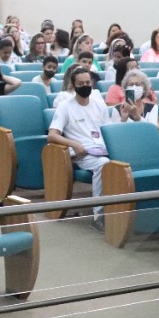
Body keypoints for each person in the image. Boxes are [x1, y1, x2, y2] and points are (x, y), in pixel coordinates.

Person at [47, 68, 113, 230]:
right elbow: (52, 135)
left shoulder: (99, 105)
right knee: (103, 164)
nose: (85, 86)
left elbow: (109, 130)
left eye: (88, 83)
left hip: (102, 148)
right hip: (81, 152)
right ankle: (99, 215)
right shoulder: (65, 106)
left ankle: (120, 212)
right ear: (73, 85)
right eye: (81, 83)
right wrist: (74, 144)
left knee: (120, 163)